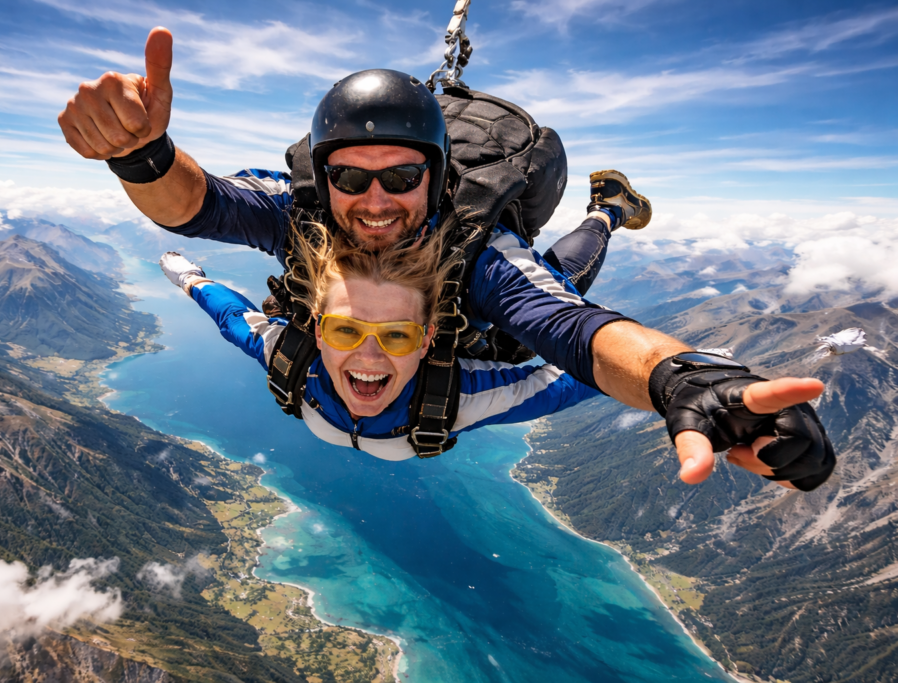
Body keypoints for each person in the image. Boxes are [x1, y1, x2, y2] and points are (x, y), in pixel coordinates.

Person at [58, 28, 835, 492]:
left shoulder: (482, 255)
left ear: (437, 177)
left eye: (401, 177)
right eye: (349, 177)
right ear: (321, 175)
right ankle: (606, 210)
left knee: (556, 281)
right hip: (441, 350)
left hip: (488, 310)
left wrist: (683, 378)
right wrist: (142, 156)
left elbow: (573, 336)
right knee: (551, 291)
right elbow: (198, 208)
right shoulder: (297, 219)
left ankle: (607, 210)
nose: (373, 200)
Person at [159, 217, 600, 460]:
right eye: (345, 329)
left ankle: (606, 212)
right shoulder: (453, 402)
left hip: (477, 343)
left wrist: (651, 366)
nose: (368, 355)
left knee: (548, 303)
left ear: (427, 340)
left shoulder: (453, 395)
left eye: (396, 335)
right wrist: (192, 282)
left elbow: (236, 320)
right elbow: (233, 319)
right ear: (317, 330)